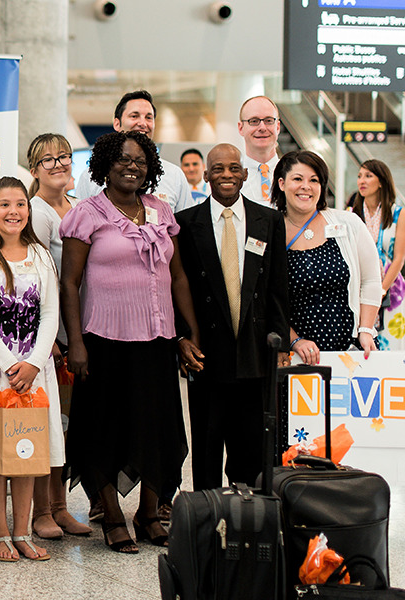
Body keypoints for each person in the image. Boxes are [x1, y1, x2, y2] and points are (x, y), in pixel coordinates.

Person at [61, 130, 195, 554]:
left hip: (156, 340)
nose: (132, 166)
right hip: (103, 342)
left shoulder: (161, 210)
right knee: (104, 429)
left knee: (158, 429)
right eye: (123, 159)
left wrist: (188, 334)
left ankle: (149, 513)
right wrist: (76, 343)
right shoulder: (87, 213)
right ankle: (113, 517)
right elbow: (69, 282)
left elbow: (178, 277)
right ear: (105, 165)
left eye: (140, 160)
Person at [174, 143, 290, 491]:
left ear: (244, 173)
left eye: (234, 168)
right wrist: (181, 337)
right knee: (207, 450)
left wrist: (280, 343)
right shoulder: (185, 223)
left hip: (255, 355)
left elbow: (277, 287)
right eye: (219, 169)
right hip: (206, 354)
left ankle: (249, 523)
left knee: (251, 451)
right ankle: (208, 522)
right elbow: (178, 288)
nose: (227, 175)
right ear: (206, 175)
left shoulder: (267, 220)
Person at [0, 177, 60, 563]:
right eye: (4, 205)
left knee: (27, 449)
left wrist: (33, 363)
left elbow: (50, 312)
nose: (13, 212)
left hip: (35, 369)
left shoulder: (40, 255)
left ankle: (23, 530)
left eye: (20, 204)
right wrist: (10, 364)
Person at [24, 133, 92, 540]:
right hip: (54, 338)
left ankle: (62, 506)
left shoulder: (78, 206)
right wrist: (46, 337)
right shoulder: (35, 211)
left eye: (64, 157)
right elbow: (34, 278)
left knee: (65, 428)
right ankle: (42, 511)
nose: (58, 164)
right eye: (47, 160)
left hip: (80, 330)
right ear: (34, 171)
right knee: (46, 425)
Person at [273, 151, 381, 363]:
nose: (306, 186)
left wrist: (366, 329)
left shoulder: (348, 223)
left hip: (349, 352)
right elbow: (265, 299)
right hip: (295, 356)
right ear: (282, 183)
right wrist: (294, 340)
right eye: (297, 179)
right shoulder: (269, 231)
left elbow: (371, 280)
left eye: (314, 180)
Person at [74, 90, 195, 212]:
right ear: (117, 123)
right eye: (134, 116)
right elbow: (79, 223)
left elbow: (187, 226)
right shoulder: (92, 177)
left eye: (148, 118)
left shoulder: (173, 175)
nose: (142, 123)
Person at [348, 159, 405, 351]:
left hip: (391, 290)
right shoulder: (351, 214)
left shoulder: (398, 213)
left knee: (392, 344)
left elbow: (399, 257)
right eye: (359, 176)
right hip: (359, 287)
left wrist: (381, 290)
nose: (361, 181)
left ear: (381, 181)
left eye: (368, 176)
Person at [238, 96, 281, 208]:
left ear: (278, 127)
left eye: (268, 121)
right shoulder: (232, 177)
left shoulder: (293, 174)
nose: (262, 127)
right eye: (254, 121)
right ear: (241, 128)